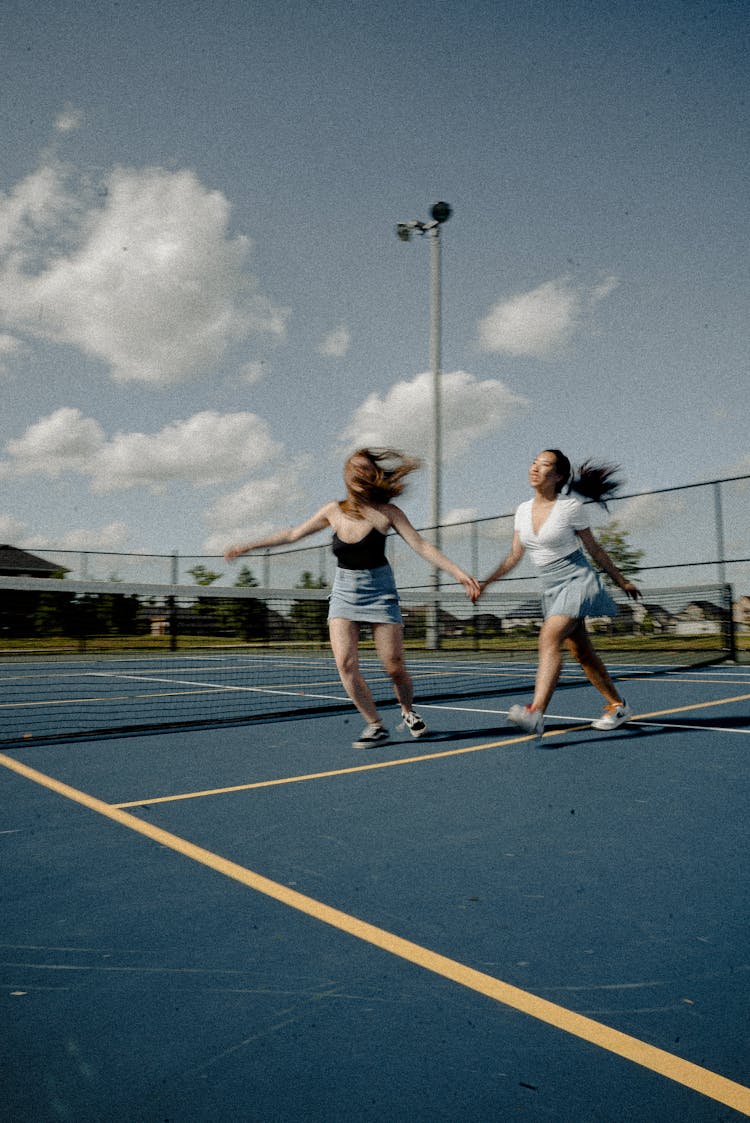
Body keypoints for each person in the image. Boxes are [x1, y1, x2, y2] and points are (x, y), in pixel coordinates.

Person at [225, 448, 480, 748]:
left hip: (380, 591)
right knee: (345, 664)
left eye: (366, 469)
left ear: (374, 476)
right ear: (347, 475)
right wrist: (247, 546)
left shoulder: (389, 513)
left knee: (394, 666)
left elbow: (421, 545)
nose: (360, 473)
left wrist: (458, 573)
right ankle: (374, 724)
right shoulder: (333, 510)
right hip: (344, 593)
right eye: (354, 468)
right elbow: (293, 534)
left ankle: (407, 711)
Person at [477, 449, 642, 737]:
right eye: (534, 463)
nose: (535, 468)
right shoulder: (522, 510)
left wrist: (621, 581)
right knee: (582, 653)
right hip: (551, 586)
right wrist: (486, 582)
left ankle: (536, 712)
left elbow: (595, 550)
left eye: (544, 465)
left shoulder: (571, 508)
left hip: (578, 580)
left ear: (558, 476)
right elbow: (514, 556)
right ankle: (618, 705)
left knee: (549, 636)